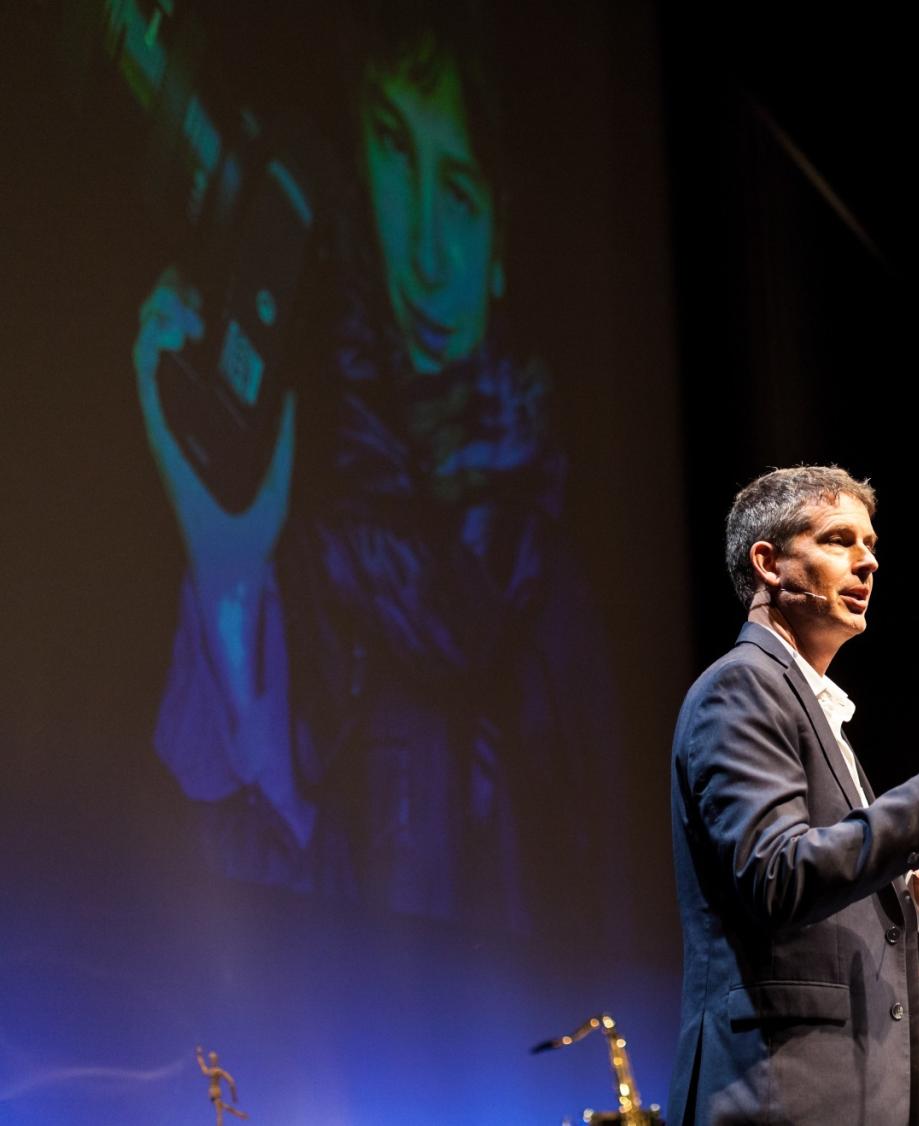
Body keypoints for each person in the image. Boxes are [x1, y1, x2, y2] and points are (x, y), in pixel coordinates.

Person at [132, 3, 596, 929]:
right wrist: (230, 571)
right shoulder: (291, 511)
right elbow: (209, 908)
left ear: (502, 244)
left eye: (458, 192)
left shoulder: (560, 607)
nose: (422, 251)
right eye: (392, 147)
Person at [667, 466, 919, 1125]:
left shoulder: (811, 705)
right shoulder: (742, 687)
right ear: (768, 564)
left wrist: (908, 891)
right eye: (839, 540)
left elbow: (815, 881)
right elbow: (777, 876)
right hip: (778, 1096)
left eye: (870, 544)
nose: (868, 562)